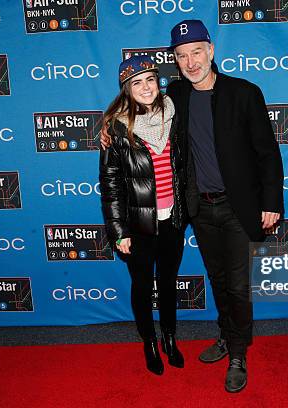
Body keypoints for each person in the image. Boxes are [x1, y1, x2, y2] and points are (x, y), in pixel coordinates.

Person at [101, 20, 284, 392]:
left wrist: (272, 202)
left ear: (211, 51)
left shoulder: (245, 92)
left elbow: (268, 153)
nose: (190, 61)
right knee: (217, 281)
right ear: (175, 61)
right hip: (198, 209)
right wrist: (109, 124)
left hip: (238, 209)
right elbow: (136, 117)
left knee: (237, 286)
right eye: (182, 55)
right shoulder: (176, 97)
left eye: (197, 51)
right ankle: (225, 335)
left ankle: (237, 353)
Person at [99, 55, 187, 376]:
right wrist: (118, 232)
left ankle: (169, 337)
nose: (146, 87)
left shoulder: (175, 112)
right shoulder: (117, 128)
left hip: (173, 221)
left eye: (150, 79)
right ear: (127, 89)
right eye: (137, 83)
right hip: (137, 226)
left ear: (158, 80)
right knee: (141, 285)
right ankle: (149, 342)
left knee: (167, 283)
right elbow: (111, 186)